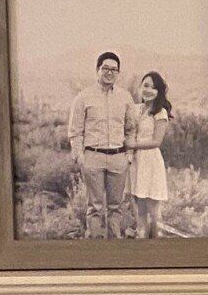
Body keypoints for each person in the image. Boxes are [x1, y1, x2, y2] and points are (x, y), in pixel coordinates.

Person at [67, 50, 135, 238]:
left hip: (118, 158)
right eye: (105, 68)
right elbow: (75, 131)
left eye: (114, 69)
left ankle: (114, 250)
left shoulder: (125, 97)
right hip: (93, 157)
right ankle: (96, 252)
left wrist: (129, 155)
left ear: (118, 73)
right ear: (98, 70)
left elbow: (131, 128)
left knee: (116, 206)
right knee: (95, 207)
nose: (110, 72)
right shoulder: (83, 97)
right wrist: (80, 157)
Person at [127, 70, 173, 238]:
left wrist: (133, 145)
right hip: (137, 162)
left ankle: (155, 244)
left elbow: (156, 141)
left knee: (153, 211)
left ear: (159, 92)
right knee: (139, 207)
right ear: (140, 87)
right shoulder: (136, 109)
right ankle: (141, 240)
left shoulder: (160, 112)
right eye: (145, 86)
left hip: (151, 161)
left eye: (153, 88)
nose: (148, 90)